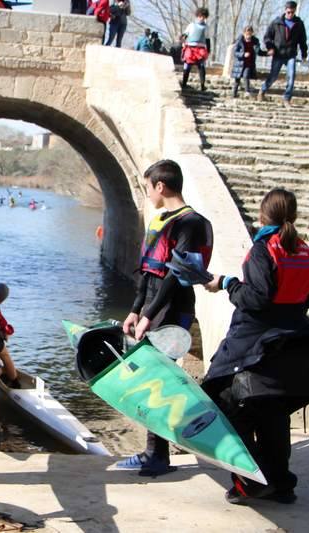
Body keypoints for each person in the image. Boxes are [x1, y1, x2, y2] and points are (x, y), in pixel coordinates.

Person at [201, 188, 309, 505]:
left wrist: (228, 284)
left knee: (222, 404)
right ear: (293, 215)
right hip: (295, 342)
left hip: (255, 344)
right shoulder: (303, 251)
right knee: (273, 412)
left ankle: (253, 480)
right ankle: (282, 485)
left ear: (262, 215)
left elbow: (256, 298)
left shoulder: (263, 250)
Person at [118, 159, 213, 476]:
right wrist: (135, 309)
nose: (148, 193)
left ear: (161, 186)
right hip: (152, 309)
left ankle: (157, 456)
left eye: (148, 187)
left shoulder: (191, 223)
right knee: (150, 380)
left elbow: (175, 274)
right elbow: (148, 270)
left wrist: (150, 314)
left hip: (173, 310)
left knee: (159, 381)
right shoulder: (160, 220)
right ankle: (153, 453)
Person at [259, 1, 308, 107]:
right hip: (278, 54)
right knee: (273, 76)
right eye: (289, 12)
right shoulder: (276, 23)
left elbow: (302, 40)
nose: (290, 14)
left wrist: (304, 54)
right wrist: (270, 48)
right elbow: (267, 37)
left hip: (291, 54)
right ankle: (263, 90)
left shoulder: (299, 24)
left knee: (291, 75)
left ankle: (287, 98)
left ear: (295, 11)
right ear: (285, 10)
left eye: (292, 12)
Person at [231, 26, 266, 98]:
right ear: (244, 34)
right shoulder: (239, 41)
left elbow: (258, 51)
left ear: (252, 34)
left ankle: (247, 91)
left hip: (249, 64)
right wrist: (243, 54)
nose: (248, 36)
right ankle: (234, 94)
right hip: (239, 63)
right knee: (237, 80)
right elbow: (235, 52)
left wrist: (267, 53)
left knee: (246, 75)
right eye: (247, 34)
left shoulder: (255, 42)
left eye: (249, 34)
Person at [181, 8, 210, 92]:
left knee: (201, 66)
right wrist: (183, 42)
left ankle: (202, 85)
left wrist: (208, 50)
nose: (201, 18)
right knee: (187, 66)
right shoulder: (191, 25)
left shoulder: (206, 27)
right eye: (200, 16)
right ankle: (184, 83)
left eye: (203, 17)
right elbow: (185, 34)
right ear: (197, 16)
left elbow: (208, 39)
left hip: (200, 48)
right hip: (190, 47)